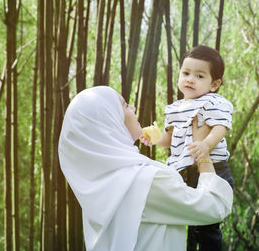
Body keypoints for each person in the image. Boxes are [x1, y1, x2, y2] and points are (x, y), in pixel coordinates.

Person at [58, 86, 233, 251]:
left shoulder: (98, 186)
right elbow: (214, 207)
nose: (133, 107)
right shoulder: (145, 182)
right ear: (111, 121)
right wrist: (203, 152)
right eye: (125, 105)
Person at [140, 45, 234, 251]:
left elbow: (221, 127)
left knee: (207, 225)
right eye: (186, 73)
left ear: (215, 84)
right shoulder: (175, 108)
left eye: (200, 76)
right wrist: (155, 139)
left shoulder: (213, 101)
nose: (190, 79)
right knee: (189, 224)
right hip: (184, 173)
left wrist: (205, 145)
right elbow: (170, 139)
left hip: (214, 170)